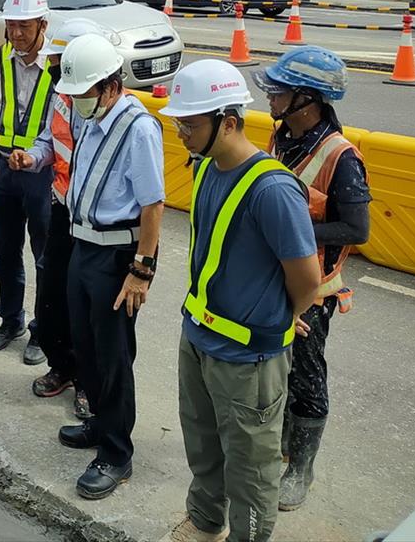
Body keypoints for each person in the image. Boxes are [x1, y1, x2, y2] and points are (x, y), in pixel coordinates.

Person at [160, 60, 321, 542]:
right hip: (199, 337)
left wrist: (283, 316)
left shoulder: (272, 190)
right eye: (179, 123)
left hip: (248, 358)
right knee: (203, 444)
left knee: (251, 466)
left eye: (190, 124)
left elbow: (306, 279)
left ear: (228, 122)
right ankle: (205, 519)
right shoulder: (207, 168)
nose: (182, 134)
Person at [30, 33, 166, 500]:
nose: (74, 101)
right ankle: (99, 425)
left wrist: (141, 269)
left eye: (82, 92)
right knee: (84, 344)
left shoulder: (138, 128)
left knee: (112, 356)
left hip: (116, 257)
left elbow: (152, 205)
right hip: (82, 246)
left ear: (110, 85)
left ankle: (116, 453)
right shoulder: (92, 118)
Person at [253, 47, 370, 512]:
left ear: (308, 99)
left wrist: (291, 233)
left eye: (279, 91)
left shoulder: (341, 157)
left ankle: (301, 468)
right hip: (274, 280)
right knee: (273, 366)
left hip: (314, 292)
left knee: (305, 376)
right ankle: (280, 444)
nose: (270, 97)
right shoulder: (283, 138)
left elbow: (356, 229)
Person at [14, 17, 101, 420]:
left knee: (87, 305)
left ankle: (88, 381)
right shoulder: (63, 98)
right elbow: (50, 141)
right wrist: (32, 158)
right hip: (62, 211)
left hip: (95, 223)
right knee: (53, 297)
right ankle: (62, 366)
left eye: (58, 64)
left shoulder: (107, 111)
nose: (53, 72)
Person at [0, 0, 54, 364]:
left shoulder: (56, 64)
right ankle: (11, 320)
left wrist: (34, 157)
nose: (16, 33)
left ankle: (43, 331)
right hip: (3, 169)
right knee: (5, 252)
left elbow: (61, 123)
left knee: (46, 257)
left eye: (24, 26)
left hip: (41, 172)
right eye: (11, 25)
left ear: (43, 25)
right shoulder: (0, 56)